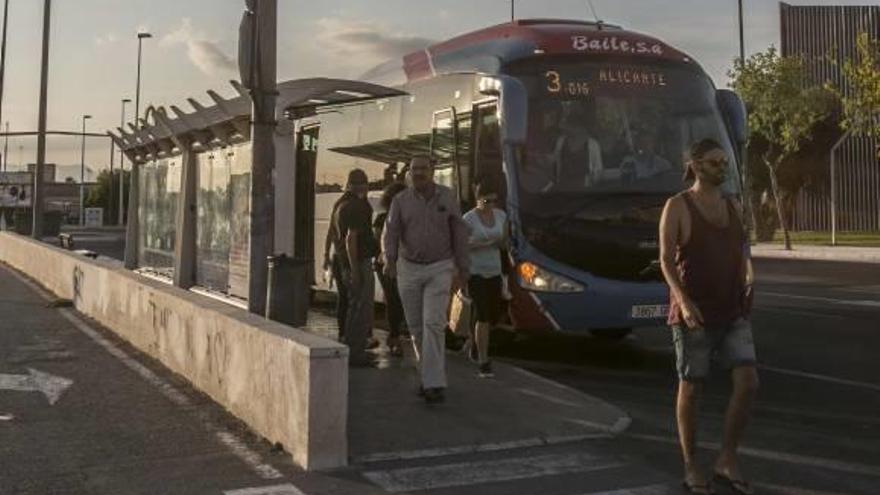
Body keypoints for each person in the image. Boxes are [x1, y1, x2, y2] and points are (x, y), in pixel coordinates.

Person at [659, 138, 758, 495]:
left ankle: (727, 458)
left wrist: (749, 271)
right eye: (716, 163)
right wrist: (683, 301)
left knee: (748, 382)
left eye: (725, 162)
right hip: (694, 313)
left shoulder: (732, 204)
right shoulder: (678, 206)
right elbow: (667, 260)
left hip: (733, 309)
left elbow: (742, 245)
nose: (723, 168)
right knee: (692, 388)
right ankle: (691, 465)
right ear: (696, 165)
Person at [382, 156, 470, 404]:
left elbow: (459, 232)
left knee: (433, 323)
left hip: (440, 267)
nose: (418, 173)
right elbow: (391, 232)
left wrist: (463, 268)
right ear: (409, 173)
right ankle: (427, 376)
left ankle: (434, 383)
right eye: (414, 169)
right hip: (408, 268)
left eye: (423, 169)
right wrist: (389, 259)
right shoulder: (401, 201)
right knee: (416, 327)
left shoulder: (447, 197)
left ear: (432, 171)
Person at [333, 169, 379, 367]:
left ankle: (352, 350)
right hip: (358, 262)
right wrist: (356, 270)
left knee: (353, 307)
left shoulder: (340, 204)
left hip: (345, 263)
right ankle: (357, 353)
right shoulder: (358, 206)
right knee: (361, 308)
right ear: (364, 185)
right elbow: (352, 238)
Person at [462, 180, 507, 378]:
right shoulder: (468, 219)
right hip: (476, 272)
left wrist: (500, 243)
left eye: (494, 201)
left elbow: (505, 242)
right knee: (483, 314)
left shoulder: (501, 215)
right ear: (478, 199)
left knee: (494, 315)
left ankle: (472, 342)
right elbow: (462, 246)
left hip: (494, 270)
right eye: (487, 200)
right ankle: (483, 360)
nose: (491, 204)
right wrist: (485, 243)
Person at [373, 182, 408, 357]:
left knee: (399, 300)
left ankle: (396, 336)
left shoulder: (408, 217)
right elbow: (378, 243)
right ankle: (394, 337)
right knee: (394, 300)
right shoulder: (382, 218)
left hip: (403, 264)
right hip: (387, 265)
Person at [323, 196, 349, 342]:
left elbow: (330, 234)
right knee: (347, 297)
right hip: (344, 259)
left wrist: (326, 255)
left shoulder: (337, 206)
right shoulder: (348, 206)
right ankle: (345, 333)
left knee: (343, 297)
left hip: (337, 258)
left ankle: (343, 333)